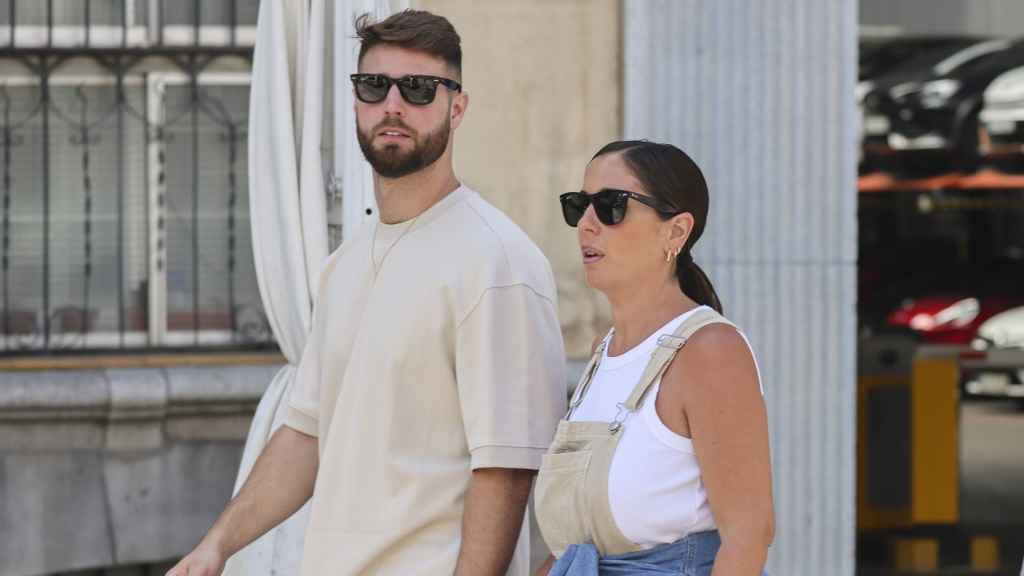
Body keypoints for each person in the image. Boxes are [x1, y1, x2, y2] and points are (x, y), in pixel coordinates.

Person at [167, 10, 566, 576]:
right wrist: (216, 546)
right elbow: (305, 434)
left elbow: (505, 470)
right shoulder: (343, 266)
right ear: (356, 101)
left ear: (458, 107)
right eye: (374, 86)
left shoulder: (497, 262)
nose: (394, 105)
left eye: (419, 88)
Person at [534, 141, 774, 576]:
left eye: (611, 206)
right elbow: (574, 549)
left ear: (676, 231)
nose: (587, 224)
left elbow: (748, 537)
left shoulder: (709, 352)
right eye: (579, 205)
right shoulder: (601, 356)